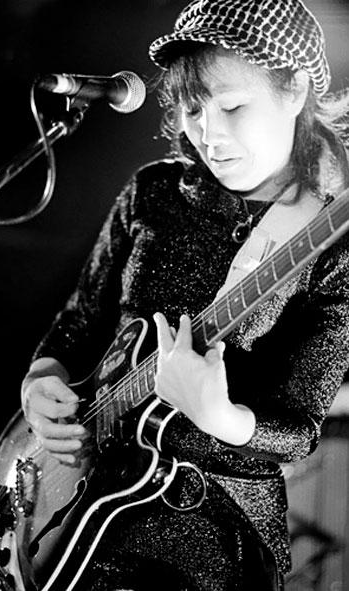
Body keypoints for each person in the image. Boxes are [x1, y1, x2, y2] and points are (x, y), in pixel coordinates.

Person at [21, 0, 349, 589]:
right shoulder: (153, 192)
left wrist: (221, 416)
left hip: (215, 523)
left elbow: (298, 428)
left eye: (232, 106)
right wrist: (41, 379)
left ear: (295, 90)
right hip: (87, 500)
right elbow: (77, 323)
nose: (209, 135)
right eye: (194, 109)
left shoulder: (330, 241)